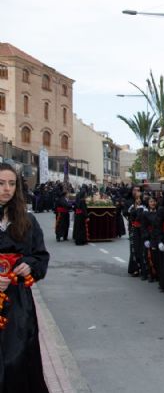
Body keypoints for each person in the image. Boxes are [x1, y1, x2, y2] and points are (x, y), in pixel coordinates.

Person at [0, 163, 50, 393]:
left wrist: (28, 267)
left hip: (18, 304)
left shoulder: (28, 221)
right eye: (1, 184)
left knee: (17, 359)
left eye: (11, 184)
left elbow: (41, 258)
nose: (6, 189)